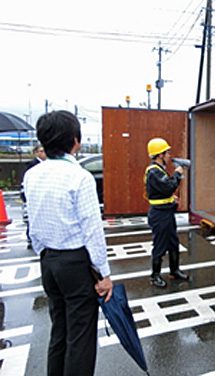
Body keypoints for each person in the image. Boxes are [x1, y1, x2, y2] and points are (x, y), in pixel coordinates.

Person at [23, 110, 113, 376]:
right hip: (74, 262)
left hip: (48, 260)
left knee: (59, 330)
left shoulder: (32, 175)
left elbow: (34, 222)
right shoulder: (80, 177)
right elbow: (92, 230)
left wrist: (45, 254)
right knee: (81, 337)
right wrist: (104, 273)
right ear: (75, 140)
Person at [145, 137, 189, 288]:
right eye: (167, 152)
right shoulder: (154, 172)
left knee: (173, 243)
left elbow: (163, 191)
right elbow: (168, 186)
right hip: (159, 215)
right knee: (160, 244)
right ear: (159, 155)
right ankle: (155, 275)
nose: (169, 155)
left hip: (166, 213)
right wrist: (177, 174)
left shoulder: (159, 170)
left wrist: (171, 198)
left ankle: (174, 270)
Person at [21, 144, 47, 246]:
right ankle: (31, 238)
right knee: (32, 216)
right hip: (33, 194)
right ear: (36, 153)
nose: (44, 153)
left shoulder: (47, 164)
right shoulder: (32, 165)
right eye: (41, 151)